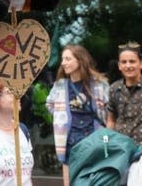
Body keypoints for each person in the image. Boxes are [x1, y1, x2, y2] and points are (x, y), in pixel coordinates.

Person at [46, 44, 109, 186]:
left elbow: (110, 109)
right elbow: (49, 104)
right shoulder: (61, 85)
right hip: (70, 141)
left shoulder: (99, 84)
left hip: (94, 140)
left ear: (80, 60)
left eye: (68, 59)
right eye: (63, 59)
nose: (63, 63)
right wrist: (61, 118)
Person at [107, 41, 142, 145]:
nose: (128, 65)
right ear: (119, 66)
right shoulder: (114, 89)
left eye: (132, 61)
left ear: (141, 64)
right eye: (124, 62)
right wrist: (107, 142)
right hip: (121, 149)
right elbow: (111, 120)